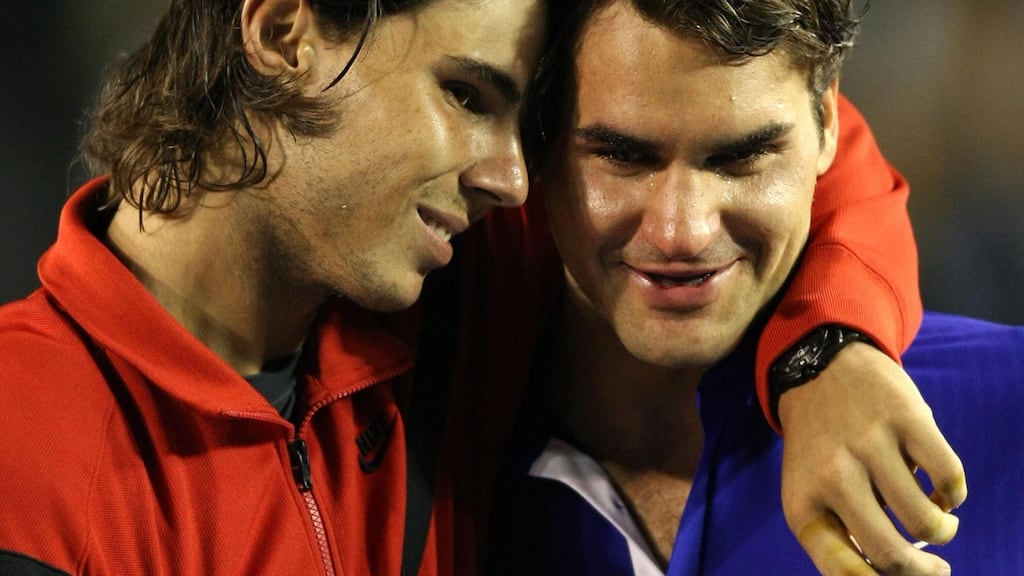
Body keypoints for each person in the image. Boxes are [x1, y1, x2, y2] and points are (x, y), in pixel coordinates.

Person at [0, 1, 960, 576]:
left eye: (526, 119)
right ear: (286, 31)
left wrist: (824, 354)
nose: (512, 179)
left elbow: (793, 143)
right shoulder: (25, 439)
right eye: (466, 95)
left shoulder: (447, 288)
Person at [484, 1, 1024, 575]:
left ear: (829, 123)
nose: (681, 233)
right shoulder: (436, 423)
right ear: (534, 140)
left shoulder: (1009, 406)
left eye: (742, 157)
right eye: (622, 156)